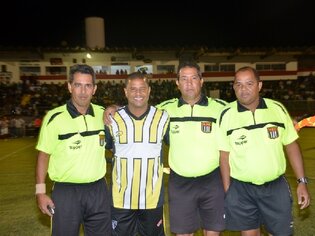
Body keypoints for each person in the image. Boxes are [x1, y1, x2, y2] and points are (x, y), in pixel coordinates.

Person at [104, 61, 227, 236]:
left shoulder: (222, 109)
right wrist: (113, 108)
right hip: (179, 182)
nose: (189, 83)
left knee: (213, 232)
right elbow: (140, 110)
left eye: (193, 78)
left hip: (211, 180)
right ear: (177, 83)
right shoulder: (165, 111)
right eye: (184, 79)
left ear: (201, 80)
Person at [218, 66, 310, 236]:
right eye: (238, 84)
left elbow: (291, 145)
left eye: (249, 84)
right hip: (242, 189)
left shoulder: (277, 109)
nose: (243, 89)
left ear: (259, 85)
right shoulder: (226, 114)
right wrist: (228, 190)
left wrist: (302, 181)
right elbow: (224, 156)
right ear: (233, 87)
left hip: (275, 188)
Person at [35, 64, 111, 235]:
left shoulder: (103, 114)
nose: (83, 91)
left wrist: (114, 106)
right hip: (66, 192)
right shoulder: (54, 118)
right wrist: (40, 192)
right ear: (69, 87)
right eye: (78, 85)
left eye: (88, 85)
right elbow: (43, 155)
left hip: (98, 191)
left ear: (94, 89)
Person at [106, 72, 169, 235]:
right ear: (125, 91)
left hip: (152, 198)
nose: (138, 93)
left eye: (142, 88)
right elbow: (109, 149)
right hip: (121, 198)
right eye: (133, 89)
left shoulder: (163, 118)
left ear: (149, 91)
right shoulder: (112, 119)